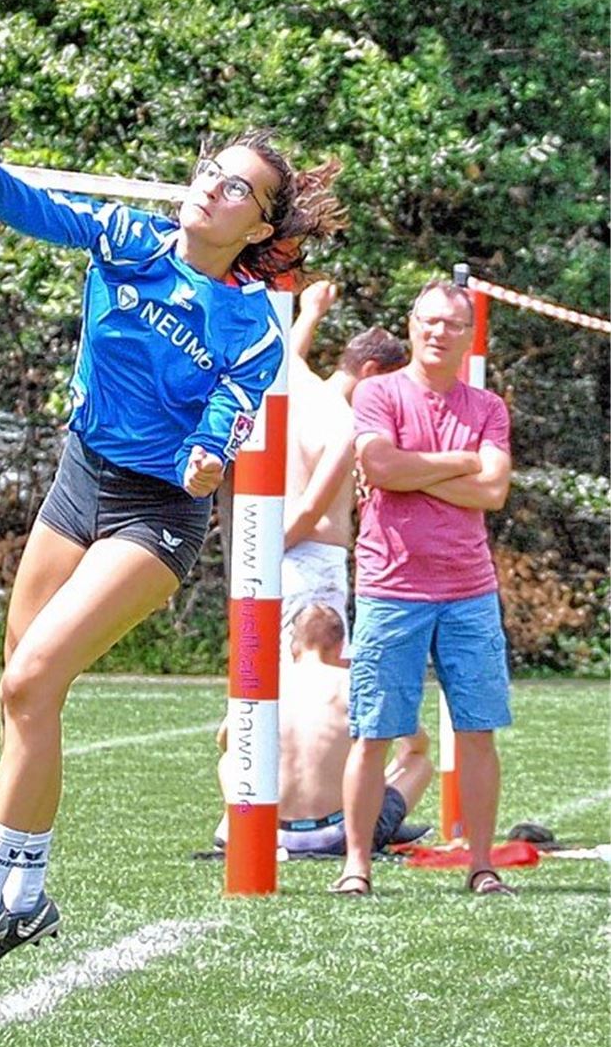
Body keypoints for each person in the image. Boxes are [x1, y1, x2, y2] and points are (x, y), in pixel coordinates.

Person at [0, 120, 343, 980]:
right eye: (211, 168)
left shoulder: (251, 326)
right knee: (22, 690)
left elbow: (232, 415)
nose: (212, 184)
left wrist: (214, 452)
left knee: (32, 682)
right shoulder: (128, 239)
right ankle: (26, 895)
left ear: (258, 228)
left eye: (237, 186)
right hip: (79, 479)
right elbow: (38, 209)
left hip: (158, 512)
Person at [332, 280, 513, 897]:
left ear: (468, 337)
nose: (439, 333)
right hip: (391, 586)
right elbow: (379, 466)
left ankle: (482, 864)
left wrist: (415, 472)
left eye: (453, 325)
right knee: (374, 730)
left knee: (478, 729)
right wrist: (460, 461)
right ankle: (356, 865)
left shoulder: (487, 408)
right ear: (411, 325)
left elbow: (493, 492)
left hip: (470, 589)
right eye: (429, 321)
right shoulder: (378, 391)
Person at [214, 604, 433, 856]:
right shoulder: (352, 684)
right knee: (418, 763)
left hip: (268, 831)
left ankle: (237, 826)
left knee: (230, 760)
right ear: (341, 647)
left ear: (292, 645)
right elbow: (418, 744)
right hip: (340, 836)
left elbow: (226, 740)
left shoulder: (265, 681)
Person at [281, 280, 408, 655]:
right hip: (312, 562)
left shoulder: (300, 389)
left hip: (282, 551)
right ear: (370, 371)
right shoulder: (346, 423)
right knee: (321, 681)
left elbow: (285, 354)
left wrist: (311, 312)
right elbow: (310, 508)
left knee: (276, 676)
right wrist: (269, 554)